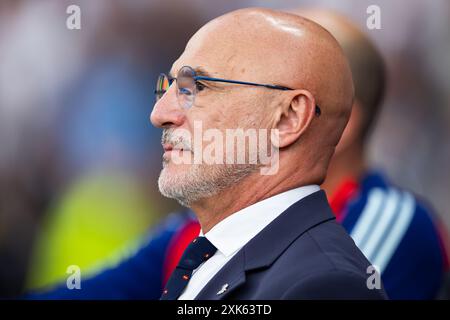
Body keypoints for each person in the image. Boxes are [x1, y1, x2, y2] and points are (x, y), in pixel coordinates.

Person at [28, 8, 386, 300]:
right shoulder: (209, 249)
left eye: (196, 86)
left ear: (288, 118)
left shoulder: (324, 286)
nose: (158, 114)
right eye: (166, 87)